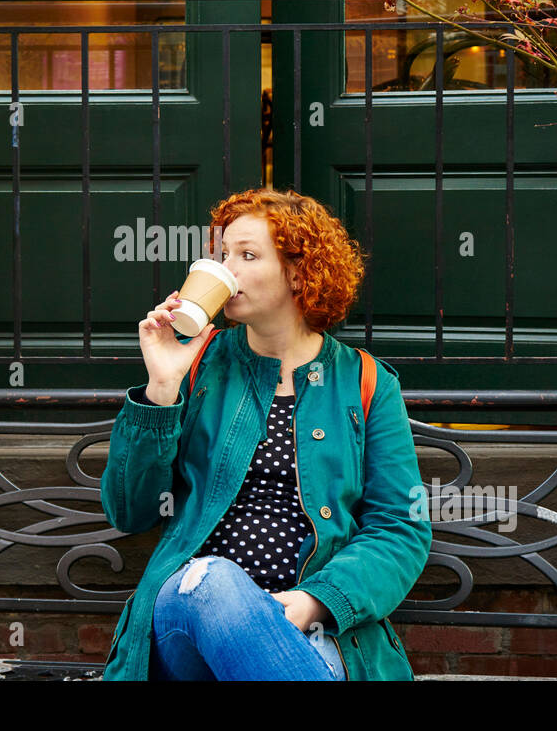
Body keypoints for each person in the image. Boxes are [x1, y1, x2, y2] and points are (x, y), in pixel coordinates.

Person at [99, 188, 432, 680]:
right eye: (223, 255)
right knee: (212, 581)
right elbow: (131, 511)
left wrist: (316, 601)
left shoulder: (365, 381)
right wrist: (162, 388)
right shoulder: (198, 365)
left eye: (247, 255)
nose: (227, 269)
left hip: (314, 632)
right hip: (187, 615)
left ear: (301, 272)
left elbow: (400, 526)